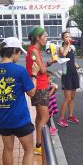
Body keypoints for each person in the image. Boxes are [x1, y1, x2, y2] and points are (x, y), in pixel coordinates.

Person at [0, 37, 40, 165]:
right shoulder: (19, 71)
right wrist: (34, 74)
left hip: (2, 119)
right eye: (19, 52)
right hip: (20, 118)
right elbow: (31, 92)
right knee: (28, 149)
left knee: (7, 149)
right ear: (14, 51)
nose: (19, 55)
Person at [26, 27, 55, 155]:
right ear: (37, 37)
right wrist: (48, 64)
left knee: (39, 117)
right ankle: (39, 144)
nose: (46, 38)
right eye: (45, 35)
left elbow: (42, 68)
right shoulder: (34, 51)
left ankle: (39, 144)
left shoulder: (33, 50)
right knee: (45, 116)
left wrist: (49, 63)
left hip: (39, 86)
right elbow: (42, 71)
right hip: (39, 87)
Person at [57, 31, 83, 128]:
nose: (69, 38)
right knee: (67, 98)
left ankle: (70, 116)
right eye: (66, 37)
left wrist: (78, 67)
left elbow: (73, 61)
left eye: (69, 36)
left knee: (72, 98)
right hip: (66, 75)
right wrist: (68, 45)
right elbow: (63, 54)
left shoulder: (71, 48)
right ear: (63, 39)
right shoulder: (61, 48)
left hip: (73, 74)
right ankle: (61, 119)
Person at [47, 71, 59, 136]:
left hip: (51, 102)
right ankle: (49, 129)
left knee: (50, 115)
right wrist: (53, 88)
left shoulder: (49, 84)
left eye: (52, 79)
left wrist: (54, 88)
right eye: (50, 79)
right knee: (48, 117)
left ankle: (50, 127)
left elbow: (53, 93)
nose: (51, 80)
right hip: (48, 103)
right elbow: (48, 95)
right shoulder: (45, 86)